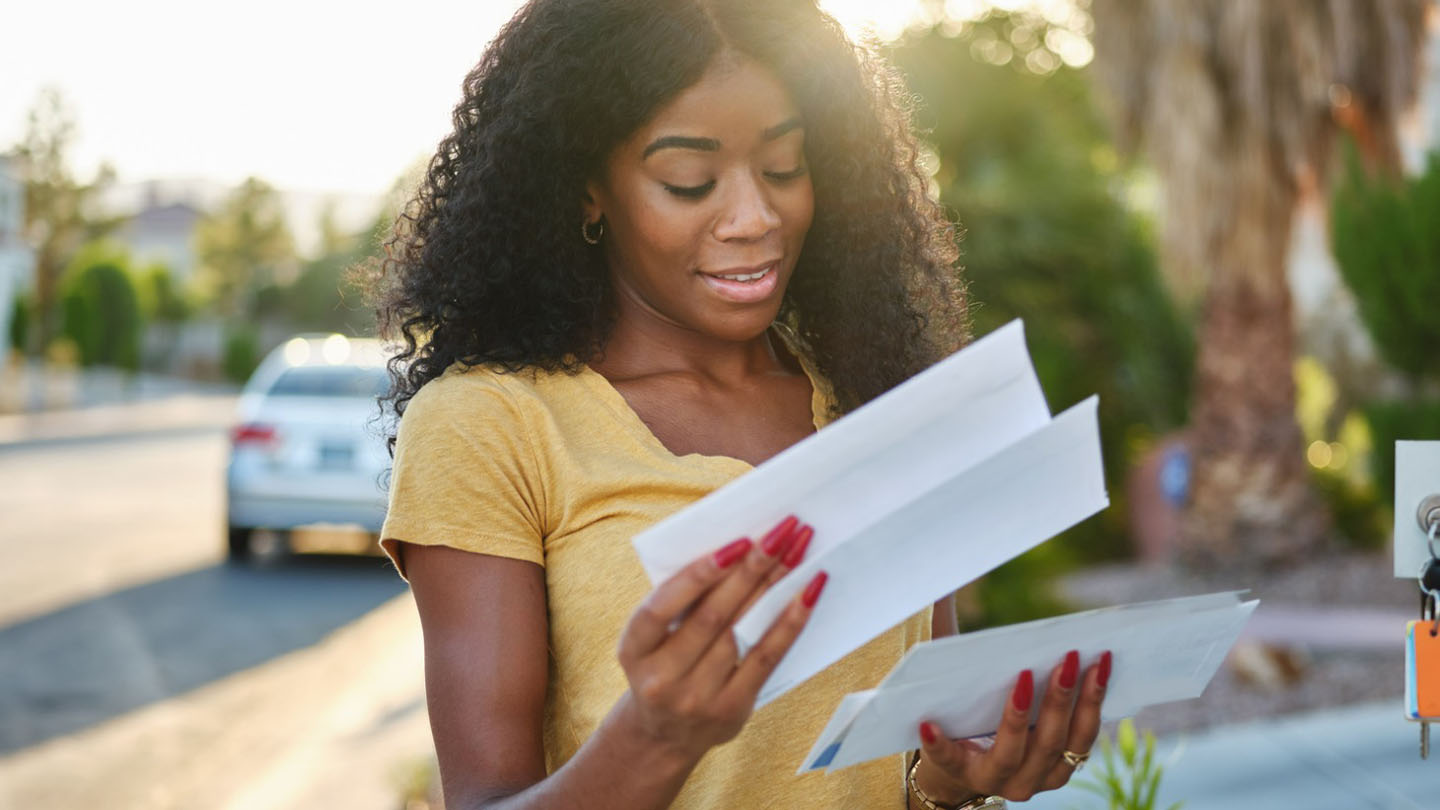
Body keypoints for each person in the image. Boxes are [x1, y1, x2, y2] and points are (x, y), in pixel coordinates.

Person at [366, 1, 1112, 807]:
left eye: (786, 167)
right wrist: (656, 736)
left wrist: (948, 782)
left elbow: (897, 771)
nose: (756, 218)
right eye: (690, 181)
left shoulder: (874, 393)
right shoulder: (491, 425)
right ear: (587, 191)